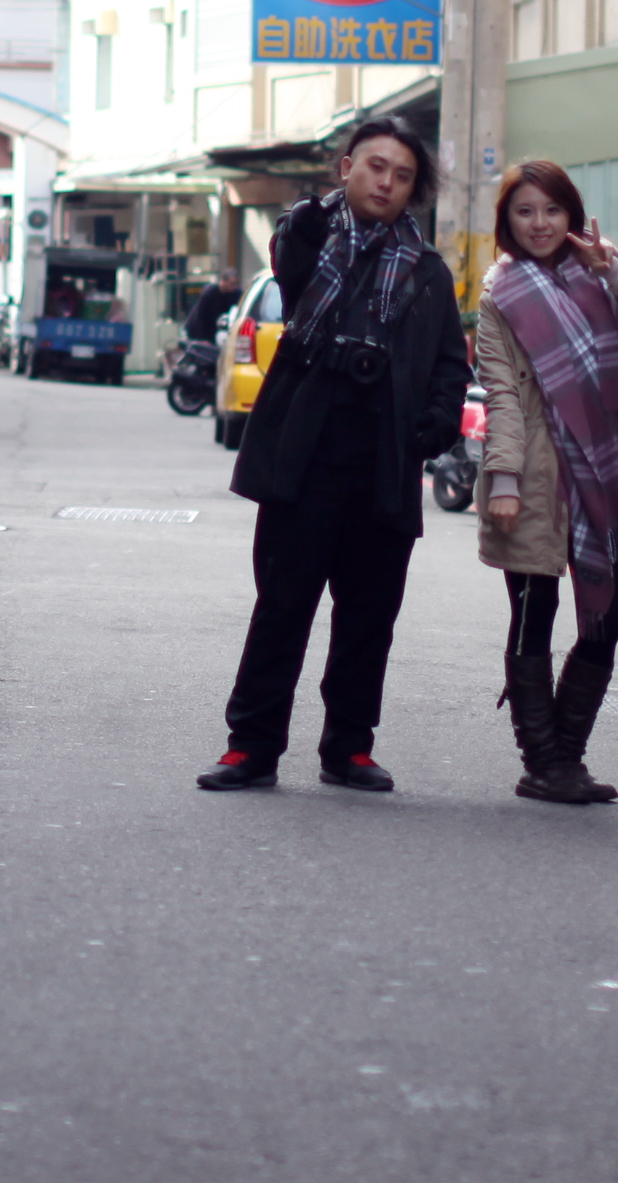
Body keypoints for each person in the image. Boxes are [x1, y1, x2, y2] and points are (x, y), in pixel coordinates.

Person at [200, 120, 469, 793]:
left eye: (402, 175)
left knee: (369, 616)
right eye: (375, 167)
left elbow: (448, 365)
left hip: (385, 458)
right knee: (282, 605)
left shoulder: (430, 272)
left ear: (414, 190)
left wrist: (431, 427)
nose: (386, 182)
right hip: (306, 453)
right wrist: (319, 207)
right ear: (347, 168)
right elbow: (292, 244)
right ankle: (250, 747)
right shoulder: (312, 241)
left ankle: (348, 746)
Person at [474, 159, 618, 804]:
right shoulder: (501, 296)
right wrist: (507, 479)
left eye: (551, 210)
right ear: (508, 222)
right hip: (538, 476)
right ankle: (541, 761)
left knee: (605, 620)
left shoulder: (604, 273)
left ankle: (565, 758)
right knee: (531, 616)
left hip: (609, 474)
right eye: (525, 212)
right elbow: (503, 398)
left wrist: (616, 270)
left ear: (571, 213)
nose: (540, 223)